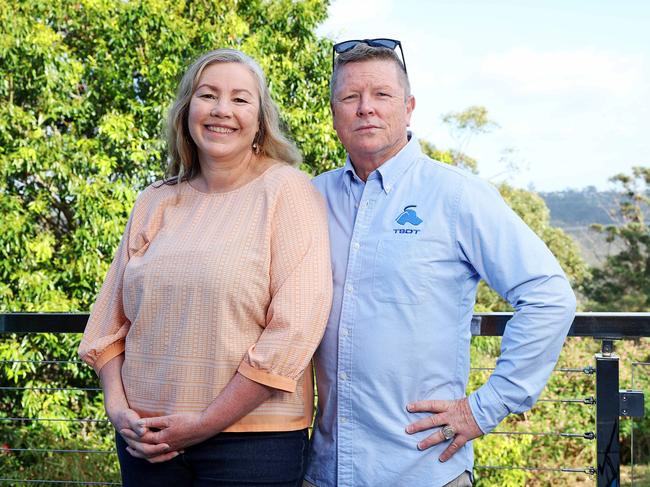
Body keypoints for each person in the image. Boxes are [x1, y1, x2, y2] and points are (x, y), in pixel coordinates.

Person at [304, 39, 576, 487]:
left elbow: (548, 297)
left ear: (408, 107)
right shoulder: (311, 197)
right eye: (350, 97)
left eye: (382, 95)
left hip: (423, 471)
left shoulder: (456, 194)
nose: (365, 108)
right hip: (324, 471)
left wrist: (483, 408)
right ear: (334, 113)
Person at [79, 48, 332, 487]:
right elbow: (107, 322)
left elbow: (296, 327)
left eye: (239, 99)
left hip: (252, 447)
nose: (221, 110)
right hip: (148, 443)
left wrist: (206, 422)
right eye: (208, 95)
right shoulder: (154, 201)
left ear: (259, 119)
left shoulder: (288, 191)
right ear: (187, 111)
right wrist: (119, 412)